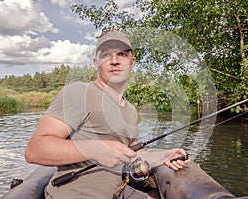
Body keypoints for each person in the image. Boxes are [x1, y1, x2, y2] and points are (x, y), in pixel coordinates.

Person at [25, 29, 190, 199]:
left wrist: (165, 155)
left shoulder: (131, 110)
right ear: (96, 62)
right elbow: (34, 150)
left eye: (122, 54)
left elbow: (134, 155)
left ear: (132, 62)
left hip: (117, 193)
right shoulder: (78, 92)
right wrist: (94, 149)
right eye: (106, 55)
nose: (114, 61)